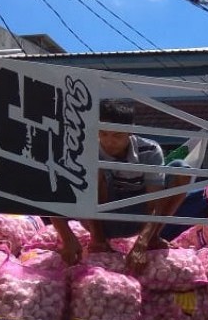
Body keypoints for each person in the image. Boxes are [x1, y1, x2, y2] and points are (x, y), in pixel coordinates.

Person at [52, 100, 194, 272]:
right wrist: (67, 238)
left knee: (182, 170)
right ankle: (98, 240)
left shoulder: (149, 150)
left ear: (130, 131)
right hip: (100, 218)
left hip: (138, 217)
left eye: (117, 136)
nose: (108, 141)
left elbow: (153, 203)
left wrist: (142, 244)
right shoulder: (84, 148)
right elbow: (52, 189)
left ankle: (153, 237)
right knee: (90, 168)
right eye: (103, 134)